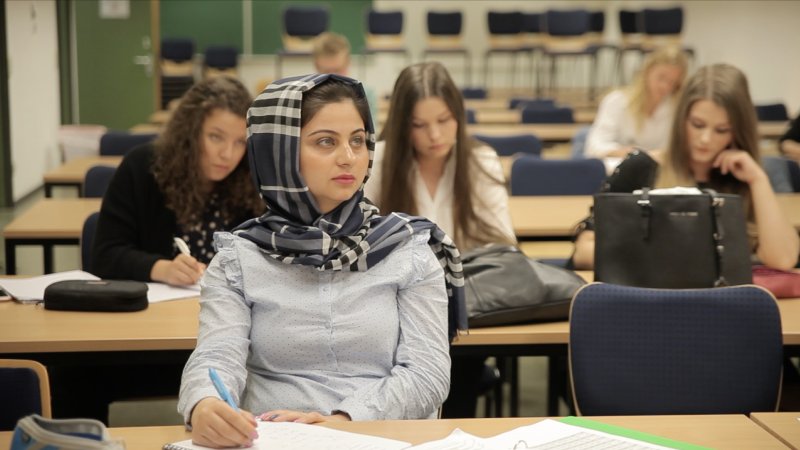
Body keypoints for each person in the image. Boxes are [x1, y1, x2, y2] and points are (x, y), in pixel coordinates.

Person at [178, 74, 466, 448]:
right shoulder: (239, 258)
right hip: (272, 438)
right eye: (325, 142)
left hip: (377, 436)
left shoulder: (406, 249)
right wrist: (205, 404)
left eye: (358, 140)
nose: (348, 157)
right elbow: (217, 356)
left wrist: (345, 419)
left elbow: (427, 375)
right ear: (278, 153)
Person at [364, 62, 516, 418]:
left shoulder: (480, 161)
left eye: (445, 120)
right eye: (419, 125)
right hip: (392, 314)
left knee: (455, 376)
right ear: (403, 127)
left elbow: (503, 247)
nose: (435, 134)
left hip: (463, 315)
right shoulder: (379, 161)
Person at [573, 64, 799, 270]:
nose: (705, 139)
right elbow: (583, 252)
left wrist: (758, 179)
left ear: (738, 132)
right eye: (697, 125)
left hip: (722, 306)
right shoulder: (641, 167)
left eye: (722, 130)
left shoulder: (746, 176)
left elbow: (783, 260)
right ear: (681, 120)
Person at [91, 76, 263, 286]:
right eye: (216, 137)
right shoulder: (144, 167)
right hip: (159, 311)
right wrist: (162, 269)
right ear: (189, 133)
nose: (228, 154)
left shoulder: (251, 174)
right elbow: (105, 256)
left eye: (239, 142)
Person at [585, 46, 688, 158]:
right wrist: (626, 153)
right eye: (661, 77)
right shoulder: (616, 101)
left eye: (672, 82)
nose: (665, 86)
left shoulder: (675, 108)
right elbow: (594, 147)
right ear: (647, 71)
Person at [312, 31, 378, 127]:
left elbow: (371, 134)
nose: (333, 78)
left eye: (338, 70)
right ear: (317, 66)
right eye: (326, 72)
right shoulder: (308, 96)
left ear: (348, 63)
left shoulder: (365, 93)